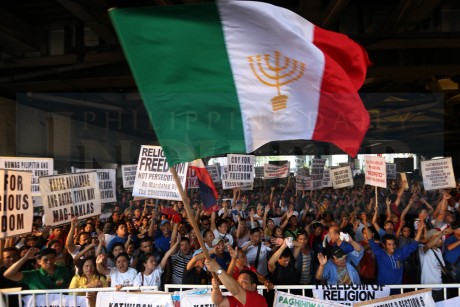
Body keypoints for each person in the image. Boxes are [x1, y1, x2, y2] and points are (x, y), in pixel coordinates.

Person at [364, 218, 423, 288]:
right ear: (384, 245)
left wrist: (420, 230)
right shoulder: (379, 253)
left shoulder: (400, 252)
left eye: (393, 244)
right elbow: (370, 240)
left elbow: (413, 245)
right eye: (389, 244)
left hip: (397, 289)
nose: (392, 246)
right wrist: (365, 223)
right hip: (383, 289)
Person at [4, 247, 71, 290]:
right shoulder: (32, 275)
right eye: (45, 260)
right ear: (39, 261)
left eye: (52, 258)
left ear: (56, 258)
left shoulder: (64, 270)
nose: (49, 262)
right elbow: (8, 275)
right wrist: (25, 258)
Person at [419, 228, 453, 302]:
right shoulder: (422, 248)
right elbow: (427, 246)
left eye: (441, 238)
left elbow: (441, 268)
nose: (440, 240)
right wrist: (441, 233)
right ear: (430, 238)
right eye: (438, 238)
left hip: (439, 288)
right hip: (428, 289)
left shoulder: (439, 251)